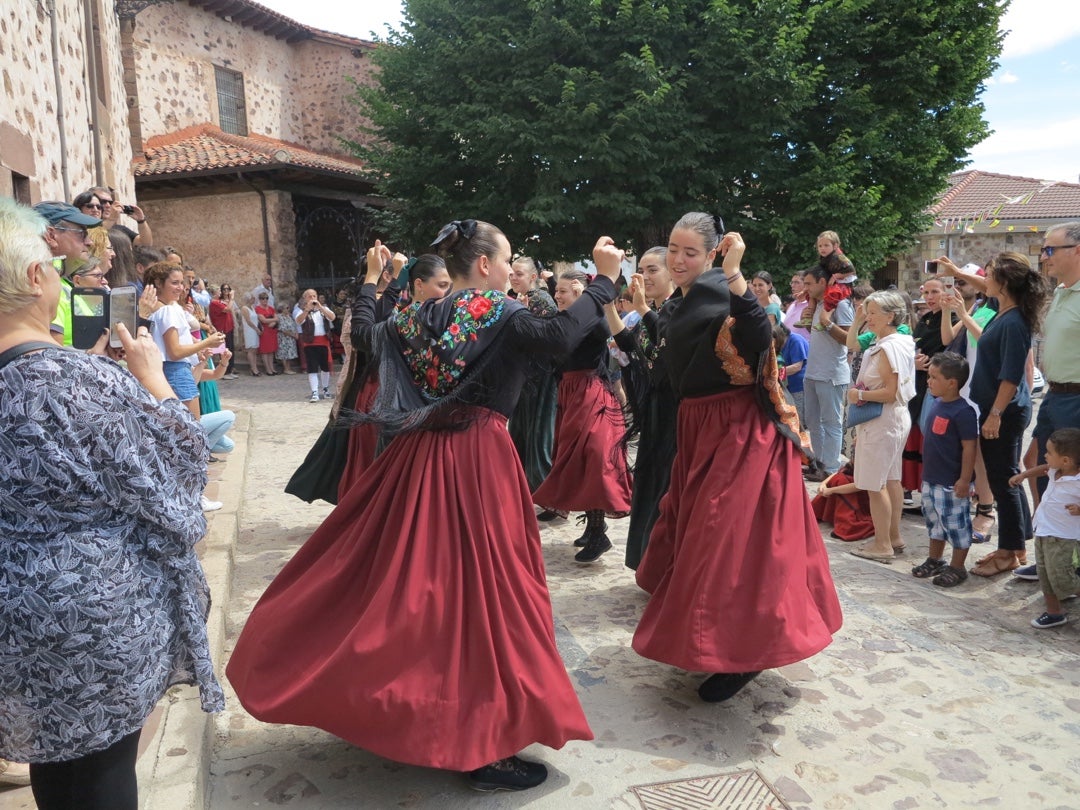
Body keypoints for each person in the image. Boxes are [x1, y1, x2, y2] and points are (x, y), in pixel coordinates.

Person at [228, 221, 620, 792]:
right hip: (478, 461)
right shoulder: (497, 310)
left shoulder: (410, 317)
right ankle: (481, 744)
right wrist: (604, 284)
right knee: (486, 597)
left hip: (415, 460)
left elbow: (362, 331)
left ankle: (427, 716)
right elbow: (560, 338)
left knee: (415, 589)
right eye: (507, 259)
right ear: (483, 263)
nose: (512, 270)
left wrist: (369, 282)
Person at [0, 197, 222, 809]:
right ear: (30, 279)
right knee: (102, 769)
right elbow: (175, 487)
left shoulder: (68, 377)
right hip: (86, 612)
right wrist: (153, 385)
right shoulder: (80, 381)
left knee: (55, 754)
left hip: (12, 616)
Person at [632, 212, 842, 704]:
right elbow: (661, 357)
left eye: (689, 252)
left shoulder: (720, 290)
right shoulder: (680, 300)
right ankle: (715, 642)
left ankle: (749, 652)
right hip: (701, 428)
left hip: (740, 433)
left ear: (710, 254)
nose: (678, 260)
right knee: (700, 537)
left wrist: (734, 271)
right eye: (673, 249)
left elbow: (756, 332)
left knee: (731, 545)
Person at [940, 253, 1050, 576]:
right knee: (1005, 479)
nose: (983, 281)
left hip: (1002, 411)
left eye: (989, 277)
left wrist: (995, 413)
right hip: (994, 408)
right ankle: (1014, 547)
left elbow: (1011, 374)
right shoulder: (1004, 310)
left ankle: (1008, 552)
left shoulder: (1015, 322)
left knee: (1004, 482)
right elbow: (983, 290)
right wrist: (957, 273)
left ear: (1002, 284)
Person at [532, 268, 633, 563]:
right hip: (571, 393)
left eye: (562, 291)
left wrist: (587, 299)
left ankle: (599, 531)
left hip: (592, 392)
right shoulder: (564, 320)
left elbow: (605, 332)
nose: (556, 296)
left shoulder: (593, 318)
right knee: (579, 459)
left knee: (595, 456)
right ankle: (592, 527)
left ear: (578, 290)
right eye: (556, 291)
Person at [606, 248, 679, 570]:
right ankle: (649, 561)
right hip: (655, 412)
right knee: (650, 483)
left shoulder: (679, 311)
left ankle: (667, 565)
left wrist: (644, 309)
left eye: (653, 270)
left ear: (672, 272)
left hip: (677, 416)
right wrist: (609, 305)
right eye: (642, 271)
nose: (645, 277)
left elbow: (669, 347)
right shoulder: (652, 313)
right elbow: (630, 344)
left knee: (668, 487)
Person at [1016, 223, 1080, 581]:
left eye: (1051, 249)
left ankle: (1066, 557)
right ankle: (1049, 547)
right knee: (1036, 462)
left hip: (1077, 397)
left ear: (1077, 250)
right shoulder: (1061, 292)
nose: (1044, 256)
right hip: (1055, 395)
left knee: (1071, 474)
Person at [843, 290, 916, 562]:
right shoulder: (900, 341)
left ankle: (882, 543)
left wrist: (858, 395)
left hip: (882, 418)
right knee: (891, 479)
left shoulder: (887, 347)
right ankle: (893, 536)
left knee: (875, 484)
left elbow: (889, 391)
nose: (869, 318)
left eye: (874, 313)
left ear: (891, 316)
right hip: (894, 418)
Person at [938, 266, 997, 542]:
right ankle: (982, 504)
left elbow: (987, 342)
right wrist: (951, 312)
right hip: (971, 390)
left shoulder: (998, 310)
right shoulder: (976, 309)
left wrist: (962, 313)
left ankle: (988, 510)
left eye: (964, 281)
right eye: (957, 281)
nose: (960, 285)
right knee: (975, 453)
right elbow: (948, 340)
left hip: (988, 391)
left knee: (991, 456)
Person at [910, 352, 979, 587]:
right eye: (929, 377)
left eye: (934, 377)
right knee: (935, 522)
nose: (929, 381)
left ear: (951, 383)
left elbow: (970, 448)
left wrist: (965, 479)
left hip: (952, 482)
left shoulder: (964, 412)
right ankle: (935, 559)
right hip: (932, 478)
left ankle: (958, 567)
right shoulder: (937, 404)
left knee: (956, 524)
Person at [1008, 429, 1080, 628]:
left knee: (1064, 579)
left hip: (1064, 538)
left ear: (1065, 460)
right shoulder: (1055, 470)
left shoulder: (1078, 481)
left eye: (1049, 452)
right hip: (1043, 532)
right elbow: (1042, 468)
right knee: (1045, 574)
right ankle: (1054, 612)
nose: (1045, 455)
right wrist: (1023, 475)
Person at [507, 256, 560, 494]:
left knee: (538, 437)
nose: (513, 277)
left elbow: (545, 341)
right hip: (528, 377)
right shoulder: (523, 299)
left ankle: (544, 491)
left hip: (540, 378)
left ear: (532, 277)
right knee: (524, 433)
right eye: (512, 273)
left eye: (519, 274)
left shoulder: (540, 299)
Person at [145, 262, 226, 417]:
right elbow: (175, 352)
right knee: (193, 431)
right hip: (177, 372)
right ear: (158, 284)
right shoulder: (168, 311)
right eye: (175, 283)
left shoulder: (156, 311)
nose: (181, 288)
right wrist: (207, 342)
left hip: (166, 371)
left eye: (181, 283)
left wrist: (198, 346)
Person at [802, 264, 855, 481]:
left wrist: (826, 323)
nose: (805, 288)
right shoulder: (819, 304)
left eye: (808, 283)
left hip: (832, 373)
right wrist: (809, 321)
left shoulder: (839, 305)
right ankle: (819, 463)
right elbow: (818, 336)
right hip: (813, 370)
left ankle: (831, 468)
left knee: (831, 423)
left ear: (822, 283)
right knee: (813, 422)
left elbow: (849, 339)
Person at [294, 288, 336, 401]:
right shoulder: (301, 310)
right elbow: (298, 321)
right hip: (310, 342)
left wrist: (321, 307)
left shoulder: (324, 309)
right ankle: (314, 391)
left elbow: (332, 317)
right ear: (305, 298)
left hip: (323, 342)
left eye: (314, 296)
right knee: (312, 368)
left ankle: (326, 388)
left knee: (325, 368)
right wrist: (307, 310)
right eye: (309, 296)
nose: (312, 298)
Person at [209, 284, 239, 379]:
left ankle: (229, 371)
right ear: (214, 293)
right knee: (223, 351)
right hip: (221, 329)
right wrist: (232, 298)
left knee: (230, 349)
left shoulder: (219, 302)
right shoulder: (214, 303)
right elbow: (228, 309)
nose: (221, 292)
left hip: (228, 328)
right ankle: (224, 373)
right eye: (219, 291)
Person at [255, 292, 279, 375]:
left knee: (271, 351)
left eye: (266, 298)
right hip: (265, 332)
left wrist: (273, 321)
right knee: (265, 351)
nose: (265, 300)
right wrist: (274, 320)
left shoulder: (271, 308)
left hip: (272, 331)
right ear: (259, 299)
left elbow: (277, 318)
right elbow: (263, 320)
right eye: (262, 298)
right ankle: (268, 369)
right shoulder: (258, 308)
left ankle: (272, 368)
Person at [239, 293, 262, 376]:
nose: (254, 299)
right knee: (251, 349)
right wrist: (256, 329)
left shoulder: (252, 307)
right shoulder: (244, 308)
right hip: (250, 330)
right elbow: (248, 321)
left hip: (255, 330)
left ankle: (254, 367)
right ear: (249, 299)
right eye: (252, 298)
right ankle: (253, 369)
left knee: (255, 350)